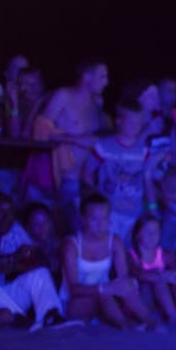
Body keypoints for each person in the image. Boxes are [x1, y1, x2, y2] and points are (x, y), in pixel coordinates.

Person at [33, 58, 110, 232]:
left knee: (86, 233)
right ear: (87, 77)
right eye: (102, 76)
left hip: (87, 183)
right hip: (64, 179)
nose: (106, 82)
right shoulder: (63, 96)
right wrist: (75, 139)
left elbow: (102, 138)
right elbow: (40, 130)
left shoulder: (95, 105)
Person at [60, 193, 158, 329]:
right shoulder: (71, 245)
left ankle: (149, 321)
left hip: (107, 296)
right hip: (76, 302)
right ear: (83, 219)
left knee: (127, 286)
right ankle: (125, 325)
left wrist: (124, 285)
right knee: (103, 294)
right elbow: (73, 289)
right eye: (94, 219)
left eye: (105, 219)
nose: (100, 225)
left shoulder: (115, 241)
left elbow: (123, 278)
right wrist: (103, 288)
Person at [0, 193, 69, 329]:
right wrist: (13, 259)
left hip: (4, 295)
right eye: (0, 212)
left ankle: (50, 316)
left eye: (10, 213)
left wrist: (23, 261)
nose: (6, 218)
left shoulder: (14, 229)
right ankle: (9, 320)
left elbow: (40, 258)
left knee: (40, 273)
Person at [83, 99, 163, 243]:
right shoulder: (103, 146)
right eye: (131, 122)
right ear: (119, 121)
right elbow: (87, 174)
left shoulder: (144, 151)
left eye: (138, 123)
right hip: (109, 213)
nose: (135, 127)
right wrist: (95, 201)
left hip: (134, 213)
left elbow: (148, 181)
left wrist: (152, 208)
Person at [128, 213, 176, 327]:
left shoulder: (164, 254)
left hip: (163, 298)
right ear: (137, 234)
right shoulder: (132, 256)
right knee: (156, 278)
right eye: (147, 231)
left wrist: (173, 275)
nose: (152, 235)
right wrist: (163, 276)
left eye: (155, 231)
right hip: (143, 297)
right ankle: (166, 317)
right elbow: (139, 274)